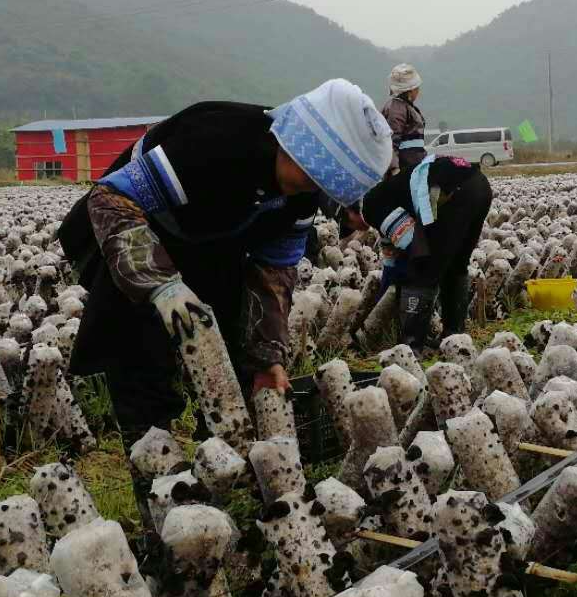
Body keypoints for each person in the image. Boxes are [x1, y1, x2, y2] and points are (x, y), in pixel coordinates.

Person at [57, 79, 391, 445]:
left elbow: (275, 272)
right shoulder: (218, 142)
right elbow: (111, 199)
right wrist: (160, 284)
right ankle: (155, 470)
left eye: (321, 184)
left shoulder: (301, 195)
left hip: (211, 245)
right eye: (311, 177)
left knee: (232, 350)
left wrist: (268, 356)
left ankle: (219, 455)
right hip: (135, 234)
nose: (311, 188)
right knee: (141, 354)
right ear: (297, 147)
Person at [359, 153, 492, 351]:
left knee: (424, 269)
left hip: (453, 193)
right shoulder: (392, 189)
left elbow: (410, 242)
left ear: (351, 212)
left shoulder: (370, 206)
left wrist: (408, 275)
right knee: (456, 264)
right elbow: (392, 246)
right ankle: (453, 336)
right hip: (480, 186)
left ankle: (412, 343)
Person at [381, 63, 427, 175]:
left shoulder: (408, 106)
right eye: (417, 88)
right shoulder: (396, 109)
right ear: (410, 90)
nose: (418, 91)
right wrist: (394, 168)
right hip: (404, 168)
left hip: (415, 164)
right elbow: (392, 140)